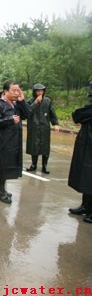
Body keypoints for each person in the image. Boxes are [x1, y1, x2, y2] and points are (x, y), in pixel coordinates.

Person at [0, 81, 30, 204]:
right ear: (5, 91)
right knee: (2, 166)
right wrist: (9, 120)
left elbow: (28, 114)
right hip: (1, 142)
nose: (16, 93)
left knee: (6, 166)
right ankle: (1, 190)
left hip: (12, 142)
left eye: (18, 91)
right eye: (14, 91)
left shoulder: (16, 105)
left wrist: (22, 101)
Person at [68, 81, 92, 223]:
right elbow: (78, 116)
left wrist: (80, 113)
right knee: (85, 175)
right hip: (86, 143)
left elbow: (78, 115)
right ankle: (86, 206)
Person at [25, 83, 60, 174]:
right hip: (34, 127)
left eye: (42, 91)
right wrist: (36, 102)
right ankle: (33, 164)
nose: (40, 93)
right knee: (34, 146)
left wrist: (55, 123)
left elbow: (52, 113)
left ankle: (44, 166)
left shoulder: (47, 101)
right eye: (38, 91)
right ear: (34, 92)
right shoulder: (30, 101)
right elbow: (27, 112)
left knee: (45, 146)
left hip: (44, 127)